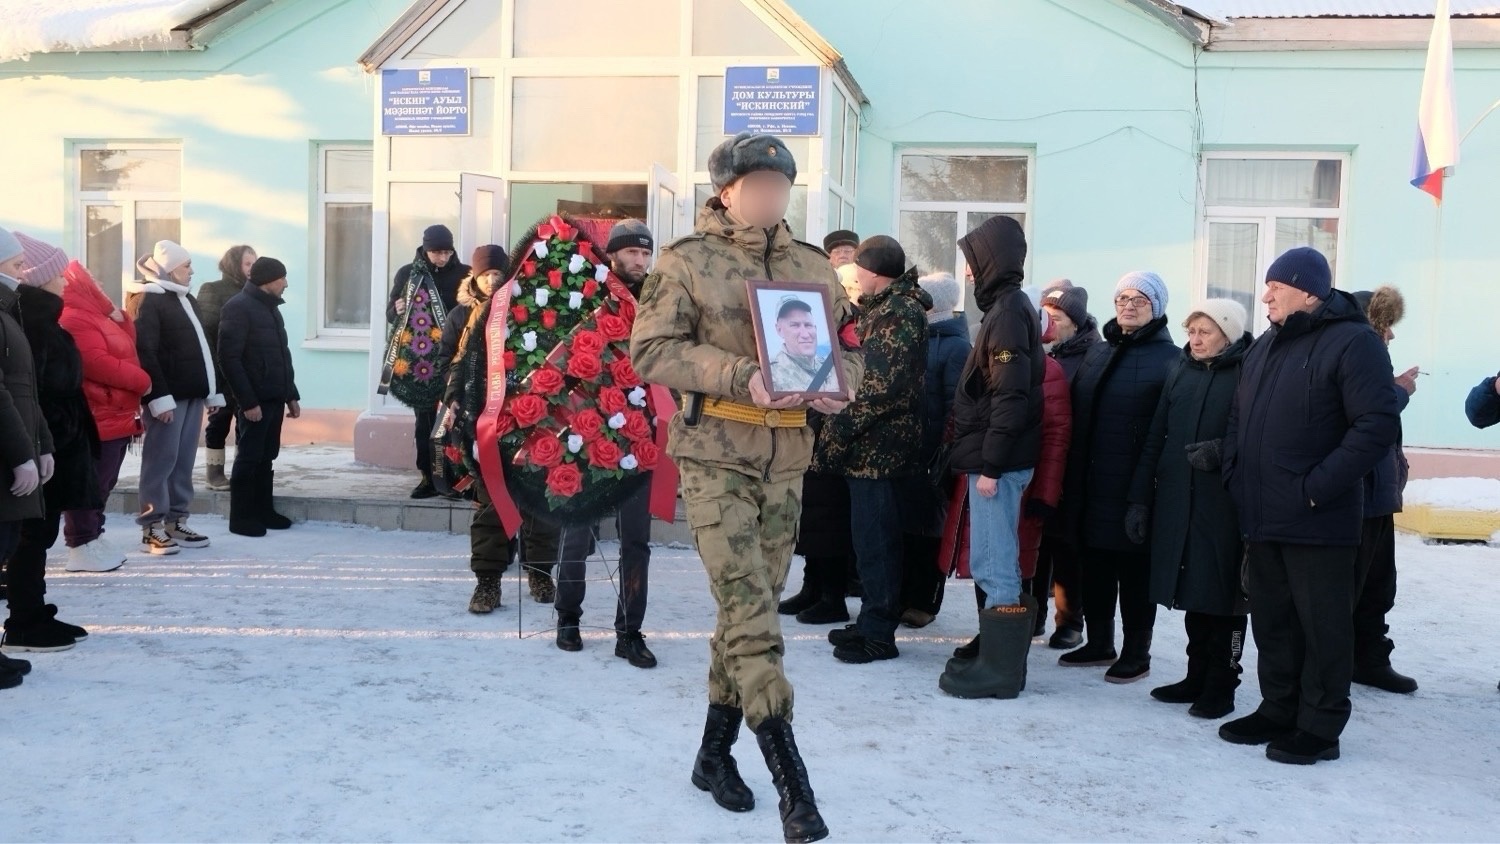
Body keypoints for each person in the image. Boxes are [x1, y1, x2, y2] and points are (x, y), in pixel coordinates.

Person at [632, 131, 862, 843]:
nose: (770, 196)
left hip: (787, 460)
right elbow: (651, 351)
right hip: (715, 458)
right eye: (756, 184)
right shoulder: (686, 263)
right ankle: (793, 781)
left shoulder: (812, 266)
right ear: (726, 190)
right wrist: (737, 375)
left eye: (780, 185)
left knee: (743, 615)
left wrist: (837, 389)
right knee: (752, 614)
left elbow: (842, 350)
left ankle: (710, 757)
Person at [1219, 247, 1400, 766]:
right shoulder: (1267, 345)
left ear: (1308, 290)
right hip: (1261, 512)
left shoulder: (1354, 342)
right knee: (1272, 621)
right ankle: (1278, 709)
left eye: (1276, 284)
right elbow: (1238, 418)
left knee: (1322, 627)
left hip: (1319, 517)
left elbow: (1376, 426)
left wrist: (1318, 487)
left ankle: (1320, 728)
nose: (1265, 293)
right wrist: (1235, 474)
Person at [1127, 299, 1252, 720]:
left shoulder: (1248, 371)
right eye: (1192, 331)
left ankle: (1223, 683)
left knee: (1226, 598)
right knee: (1193, 591)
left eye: (1206, 332)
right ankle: (1195, 675)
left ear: (1228, 334)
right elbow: (1156, 436)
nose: (1195, 340)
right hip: (1180, 500)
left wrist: (1223, 451)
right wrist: (1140, 499)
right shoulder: (1179, 369)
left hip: (1226, 505)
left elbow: (1261, 434)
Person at [936, 215, 1043, 700]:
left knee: (997, 563)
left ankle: (1000, 673)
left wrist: (993, 466)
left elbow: (1011, 396)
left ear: (991, 261)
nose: (969, 273)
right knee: (985, 559)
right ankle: (996, 659)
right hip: (989, 458)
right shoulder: (1007, 308)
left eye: (974, 263)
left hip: (996, 463)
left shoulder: (1006, 313)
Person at [549, 219, 660, 669]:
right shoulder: (587, 292)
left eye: (646, 254)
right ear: (613, 253)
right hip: (587, 428)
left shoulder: (660, 300)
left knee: (637, 540)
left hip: (642, 432)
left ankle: (630, 630)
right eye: (632, 252)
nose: (639, 261)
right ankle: (567, 618)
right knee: (577, 530)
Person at [1058, 271, 1177, 682]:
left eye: (1139, 299)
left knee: (1135, 573)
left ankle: (1136, 652)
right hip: (1092, 483)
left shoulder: (1170, 360)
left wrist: (1146, 493)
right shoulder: (1099, 352)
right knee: (1095, 565)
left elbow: (1167, 433)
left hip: (1136, 487)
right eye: (1122, 298)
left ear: (1157, 307)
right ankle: (1100, 641)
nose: (1128, 305)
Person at [815, 236, 930, 664]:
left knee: (877, 543)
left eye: (858, 267)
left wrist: (837, 426)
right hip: (868, 448)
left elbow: (878, 386)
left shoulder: (899, 311)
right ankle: (870, 621)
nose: (853, 275)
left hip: (878, 451)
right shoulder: (883, 308)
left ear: (874, 270)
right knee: (868, 542)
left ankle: (880, 632)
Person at [1, 231, 94, 656]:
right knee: (29, 536)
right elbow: (25, 389)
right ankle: (24, 618)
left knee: (38, 534)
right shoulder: (29, 320)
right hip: (37, 441)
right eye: (58, 273)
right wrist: (39, 444)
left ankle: (31, 612)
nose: (66, 281)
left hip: (47, 441)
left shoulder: (36, 317)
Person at [131, 240, 226, 554]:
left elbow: (202, 348)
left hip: (191, 396)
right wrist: (158, 399)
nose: (192, 271)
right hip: (167, 402)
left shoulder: (185, 299)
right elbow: (145, 352)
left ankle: (176, 520)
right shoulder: (148, 299)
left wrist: (211, 393)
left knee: (183, 461)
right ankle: (152, 527)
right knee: (161, 462)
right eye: (186, 266)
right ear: (170, 268)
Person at [441, 254, 521, 622]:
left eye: (498, 273)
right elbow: (459, 359)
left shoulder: (531, 303)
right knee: (490, 501)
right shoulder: (474, 315)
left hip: (532, 417)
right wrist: (454, 399)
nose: (492, 280)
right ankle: (488, 580)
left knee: (539, 502)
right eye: (485, 273)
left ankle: (540, 572)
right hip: (487, 417)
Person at [1348, 286, 1419, 694]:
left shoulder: (1374, 355)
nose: (1391, 335)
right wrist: (1400, 392)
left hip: (1379, 491)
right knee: (1354, 585)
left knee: (1379, 584)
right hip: (1357, 492)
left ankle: (1370, 659)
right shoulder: (1355, 354)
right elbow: (1367, 412)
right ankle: (1344, 663)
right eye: (1385, 327)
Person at [60, 260, 149, 572]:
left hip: (117, 412)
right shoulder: (74, 318)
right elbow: (96, 362)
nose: (98, 282)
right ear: (80, 284)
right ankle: (81, 541)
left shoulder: (96, 316)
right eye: (91, 279)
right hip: (99, 413)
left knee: (105, 481)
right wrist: (142, 381)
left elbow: (126, 344)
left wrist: (118, 316)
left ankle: (94, 536)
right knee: (92, 484)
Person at [897, 272, 970, 627]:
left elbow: (956, 404)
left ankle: (925, 602)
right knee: (907, 528)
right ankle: (903, 595)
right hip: (906, 449)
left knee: (929, 530)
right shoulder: (916, 337)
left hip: (933, 454)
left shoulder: (955, 346)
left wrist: (943, 453)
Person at [0, 228, 54, 682]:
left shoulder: (7, 311)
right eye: (16, 265)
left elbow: (24, 391)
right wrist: (21, 455)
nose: (23, 273)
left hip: (16, 447)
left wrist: (44, 446)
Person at [1033, 279, 1098, 648]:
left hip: (1072, 464)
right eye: (1046, 316)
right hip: (1038, 460)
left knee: (1066, 545)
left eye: (1056, 317)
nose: (1050, 323)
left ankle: (1070, 621)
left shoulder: (1091, 356)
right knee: (1036, 541)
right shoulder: (1036, 351)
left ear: (1075, 321)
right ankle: (1034, 616)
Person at [217, 257, 300, 538]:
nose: (286, 284)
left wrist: (291, 394)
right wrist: (248, 402)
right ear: (268, 280)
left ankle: (264, 511)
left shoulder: (271, 309)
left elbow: (281, 356)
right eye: (282, 278)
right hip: (255, 401)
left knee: (267, 457)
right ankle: (240, 518)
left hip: (274, 398)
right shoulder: (237, 308)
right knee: (249, 457)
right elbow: (229, 359)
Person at [387, 224, 469, 499]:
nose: (442, 257)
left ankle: (459, 477)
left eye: (446, 251)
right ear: (424, 249)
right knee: (425, 423)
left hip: (454, 360)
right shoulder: (407, 274)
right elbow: (391, 314)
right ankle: (428, 477)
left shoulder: (464, 274)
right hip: (420, 363)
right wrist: (396, 309)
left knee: (455, 420)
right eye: (436, 252)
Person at [195, 245, 256, 491]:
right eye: (247, 264)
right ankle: (214, 473)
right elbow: (206, 333)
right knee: (220, 420)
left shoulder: (254, 293)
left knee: (246, 421)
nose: (252, 269)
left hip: (247, 369)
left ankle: (242, 470)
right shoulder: (213, 290)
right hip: (221, 368)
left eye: (254, 263)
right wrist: (215, 369)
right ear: (234, 265)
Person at [767, 297, 827, 393]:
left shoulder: (830, 367)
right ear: (779, 330)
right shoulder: (770, 372)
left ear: (815, 328)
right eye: (795, 325)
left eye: (808, 325)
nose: (805, 334)